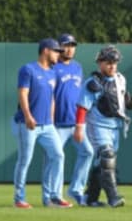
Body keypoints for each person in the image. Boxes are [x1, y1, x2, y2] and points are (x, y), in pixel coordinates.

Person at [75, 45, 132, 208]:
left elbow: (121, 98)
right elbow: (82, 107)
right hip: (98, 125)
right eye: (108, 62)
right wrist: (79, 127)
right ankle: (113, 197)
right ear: (100, 63)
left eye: (114, 62)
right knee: (107, 157)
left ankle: (90, 198)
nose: (112, 65)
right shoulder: (93, 83)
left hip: (116, 126)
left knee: (101, 163)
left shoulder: (120, 78)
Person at [12, 38, 73, 209]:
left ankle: (53, 197)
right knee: (25, 160)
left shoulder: (53, 72)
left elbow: (52, 98)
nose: (58, 55)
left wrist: (51, 121)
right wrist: (28, 116)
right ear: (46, 50)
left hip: (47, 125)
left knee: (58, 156)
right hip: (28, 123)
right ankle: (19, 199)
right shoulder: (28, 69)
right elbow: (23, 94)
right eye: (56, 51)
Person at [52, 33, 94, 206]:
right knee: (56, 157)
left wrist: (81, 122)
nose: (70, 48)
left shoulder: (77, 67)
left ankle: (75, 190)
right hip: (56, 124)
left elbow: (80, 95)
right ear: (59, 47)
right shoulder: (53, 67)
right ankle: (54, 195)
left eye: (72, 45)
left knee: (88, 152)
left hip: (75, 123)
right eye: (66, 45)